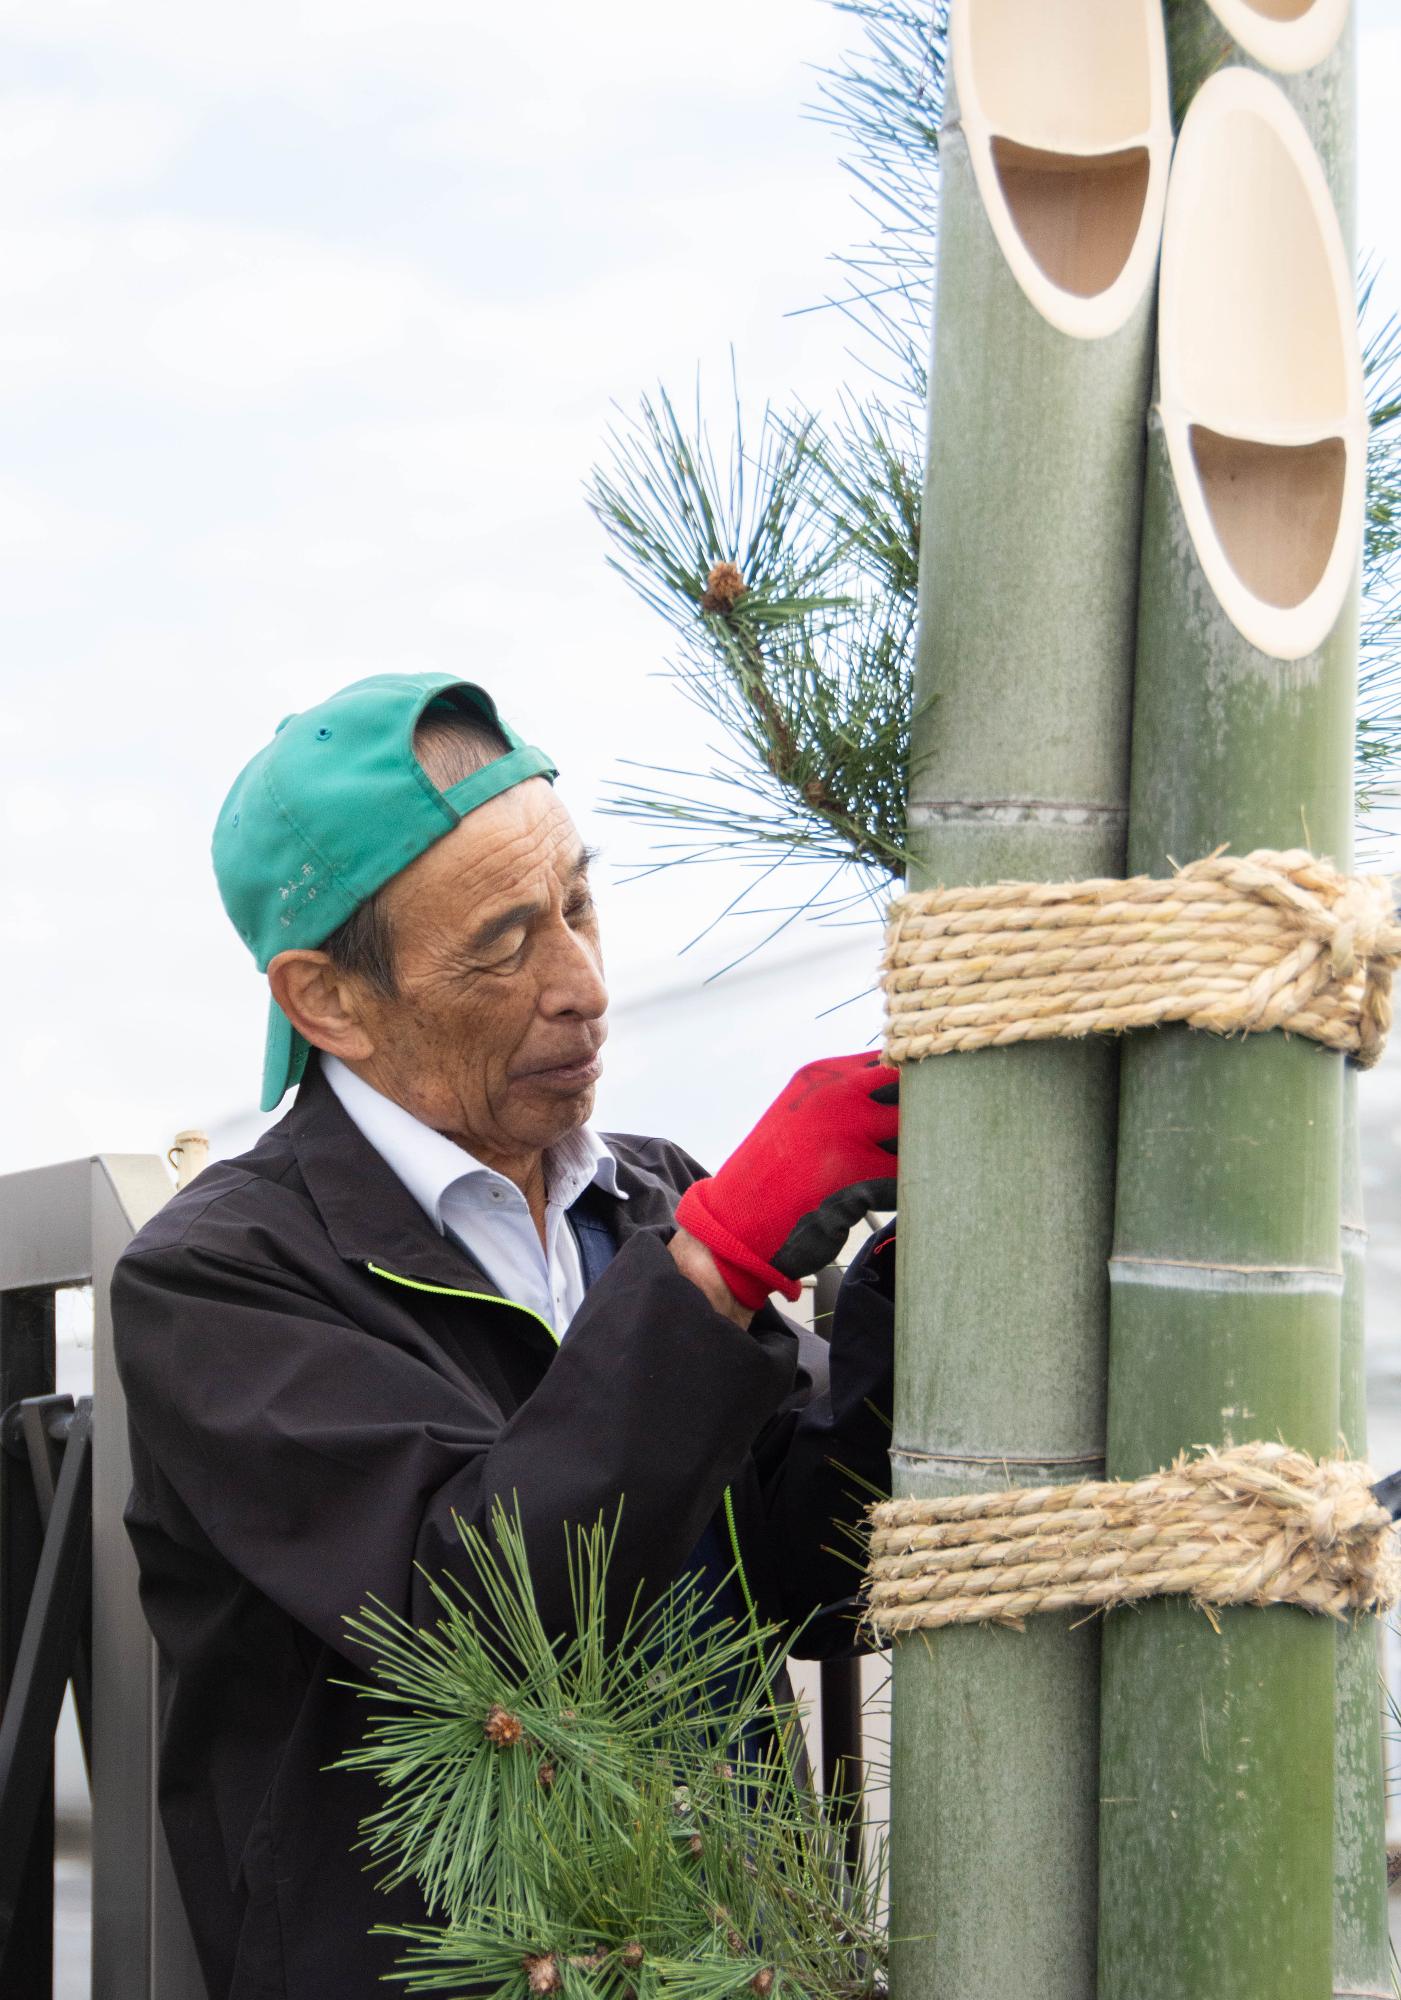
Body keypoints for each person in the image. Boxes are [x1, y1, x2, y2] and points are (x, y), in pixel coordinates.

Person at [111, 671, 900, 2000]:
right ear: (328, 1001)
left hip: (733, 1961)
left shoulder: (642, 1200)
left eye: (579, 905)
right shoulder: (219, 1279)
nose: (582, 985)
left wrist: (915, 1291)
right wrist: (715, 1268)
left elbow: (804, 1576)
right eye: (504, 942)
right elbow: (475, 1624)